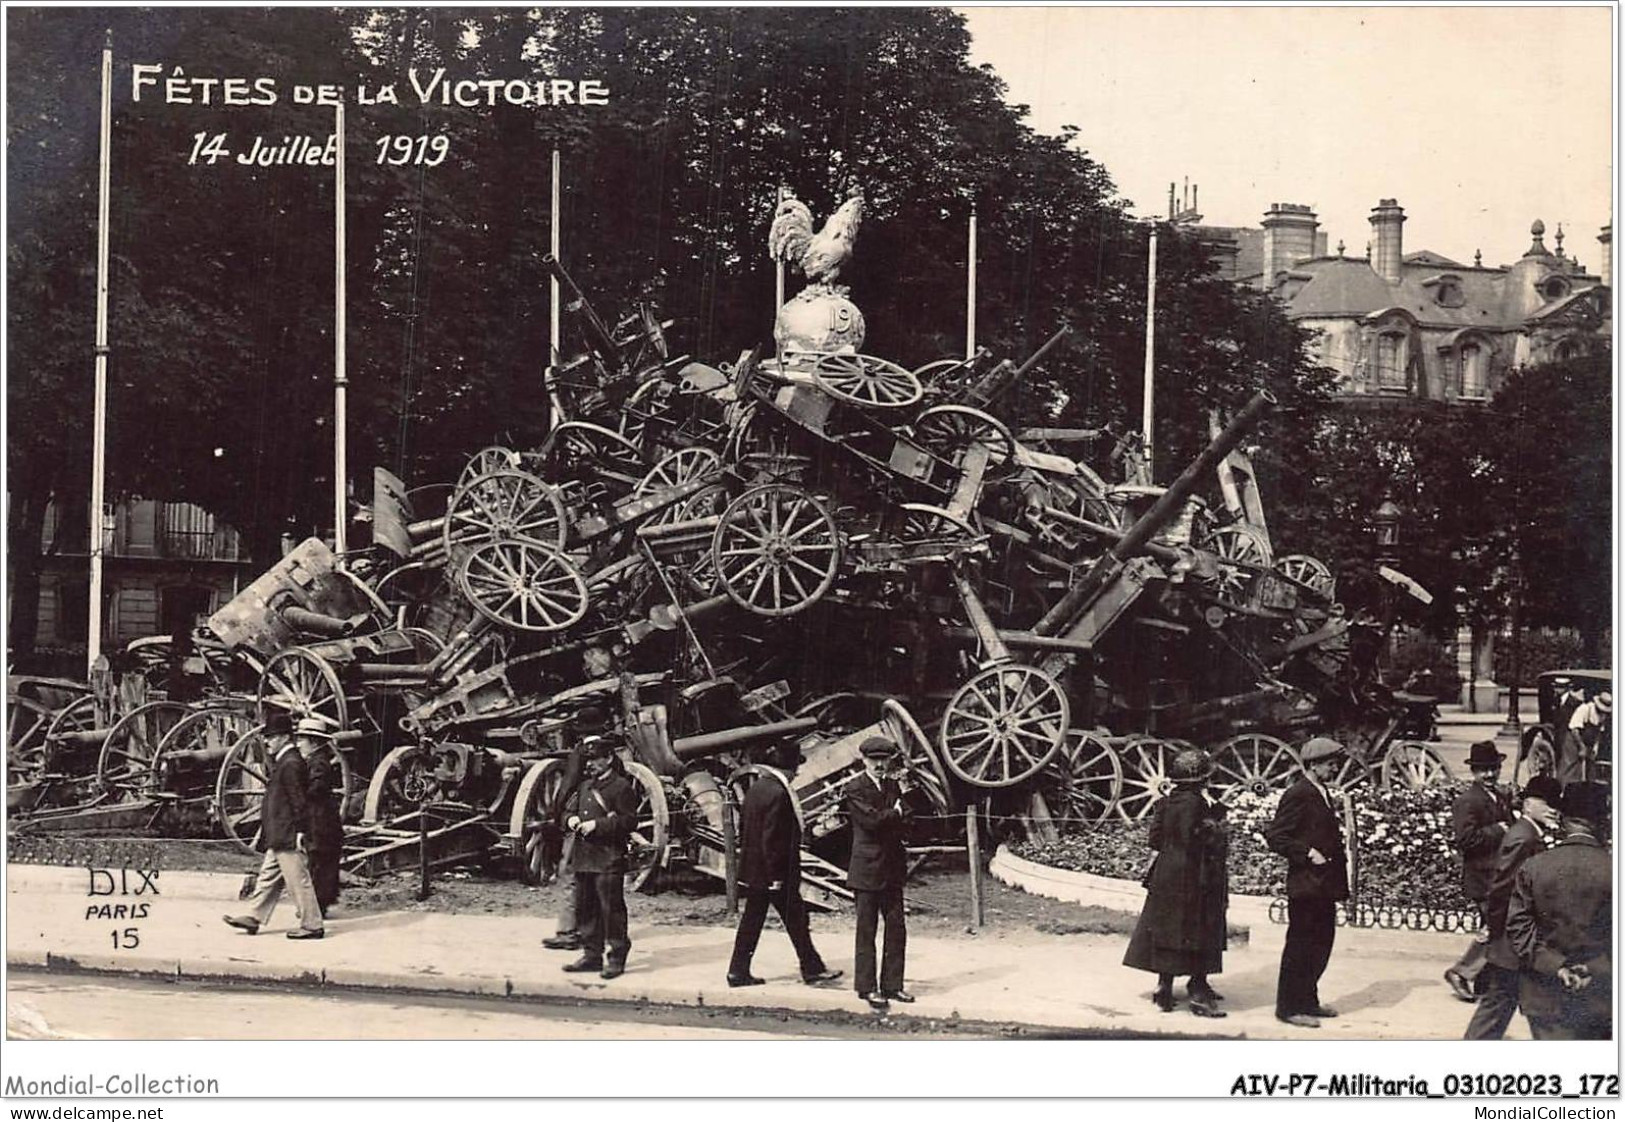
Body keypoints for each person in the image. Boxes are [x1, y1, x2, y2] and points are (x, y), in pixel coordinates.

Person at [726, 739, 843, 988]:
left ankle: (739, 971)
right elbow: (773, 840)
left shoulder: (757, 789)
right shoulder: (778, 793)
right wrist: (776, 876)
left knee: (761, 920)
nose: (797, 773)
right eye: (795, 769)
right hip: (776, 873)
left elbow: (745, 831)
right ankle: (811, 969)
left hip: (757, 871)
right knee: (793, 919)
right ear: (788, 769)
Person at [1122, 747, 1229, 1017]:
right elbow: (1208, 840)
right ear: (1202, 780)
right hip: (1197, 874)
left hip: (1167, 873)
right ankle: (1199, 993)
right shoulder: (1201, 805)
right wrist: (1218, 819)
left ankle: (1164, 988)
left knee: (1167, 928)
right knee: (1201, 927)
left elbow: (1155, 839)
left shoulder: (1165, 803)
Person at [1506, 781, 1611, 1040]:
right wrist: (1593, 968)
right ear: (1602, 822)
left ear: (1564, 820)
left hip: (1543, 996)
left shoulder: (1534, 867)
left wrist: (1558, 967)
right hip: (1602, 995)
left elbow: (1518, 931)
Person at [1464, 775, 1562, 1040]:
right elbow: (1502, 890)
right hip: (1513, 943)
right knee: (1505, 1007)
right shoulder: (1524, 838)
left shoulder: (1528, 833)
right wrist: (1496, 933)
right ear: (1528, 804)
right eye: (1546, 802)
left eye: (1556, 803)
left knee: (1500, 1007)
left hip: (1512, 943)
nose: (1554, 809)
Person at [1265, 736, 1349, 1028]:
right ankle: (1288, 1008)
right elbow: (1276, 836)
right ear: (1313, 765)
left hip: (1323, 885)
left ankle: (1308, 1001)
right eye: (1330, 763)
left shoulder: (1321, 790)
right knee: (1301, 946)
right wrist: (1306, 852)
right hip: (1306, 884)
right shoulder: (1298, 793)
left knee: (1320, 945)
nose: (1334, 768)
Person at [223, 713, 324, 939]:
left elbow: (299, 801)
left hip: (288, 832)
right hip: (280, 831)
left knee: (298, 879)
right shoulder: (287, 760)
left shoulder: (290, 763)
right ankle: (254, 916)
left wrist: (300, 831)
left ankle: (312, 925)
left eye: (271, 737)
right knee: (268, 876)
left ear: (285, 738)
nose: (267, 741)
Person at [559, 727, 639, 980]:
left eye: (594, 760)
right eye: (587, 760)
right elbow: (566, 811)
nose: (590, 765)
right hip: (584, 857)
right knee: (586, 909)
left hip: (608, 858)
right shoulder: (584, 787)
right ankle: (591, 955)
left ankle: (616, 956)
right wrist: (570, 820)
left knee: (611, 910)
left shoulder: (620, 786)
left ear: (608, 759)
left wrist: (598, 825)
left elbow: (629, 821)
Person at [842, 735, 914, 1012]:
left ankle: (893, 985)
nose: (880, 765)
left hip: (892, 867)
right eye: (874, 760)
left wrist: (893, 815)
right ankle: (867, 987)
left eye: (884, 760)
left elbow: (907, 816)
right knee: (866, 930)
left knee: (896, 929)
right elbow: (870, 821)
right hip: (867, 869)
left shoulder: (893, 785)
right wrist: (893, 815)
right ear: (864, 760)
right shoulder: (855, 787)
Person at [1444, 740, 1513, 1001]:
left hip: (1500, 875)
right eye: (1483, 770)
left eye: (1494, 768)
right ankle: (1462, 972)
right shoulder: (1467, 801)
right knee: (1497, 928)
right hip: (1483, 877)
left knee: (1495, 928)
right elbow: (1465, 840)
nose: (1490, 774)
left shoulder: (1501, 796)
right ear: (1473, 772)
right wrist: (1499, 830)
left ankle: (1484, 984)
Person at [295, 718, 345, 917]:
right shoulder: (316, 760)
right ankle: (318, 904)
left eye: (302, 740)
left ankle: (318, 905)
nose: (298, 744)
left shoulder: (319, 763)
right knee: (319, 861)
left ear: (314, 742)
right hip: (320, 817)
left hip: (321, 819)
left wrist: (298, 792)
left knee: (320, 860)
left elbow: (317, 788)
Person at [1560, 691, 1611, 785]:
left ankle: (1585, 791)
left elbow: (1599, 733)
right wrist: (1581, 747)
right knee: (1570, 767)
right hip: (1573, 740)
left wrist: (1595, 748)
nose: (1603, 713)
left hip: (1588, 742)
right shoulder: (1585, 709)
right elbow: (1574, 729)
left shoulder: (1603, 716)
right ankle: (1565, 790)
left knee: (1590, 769)